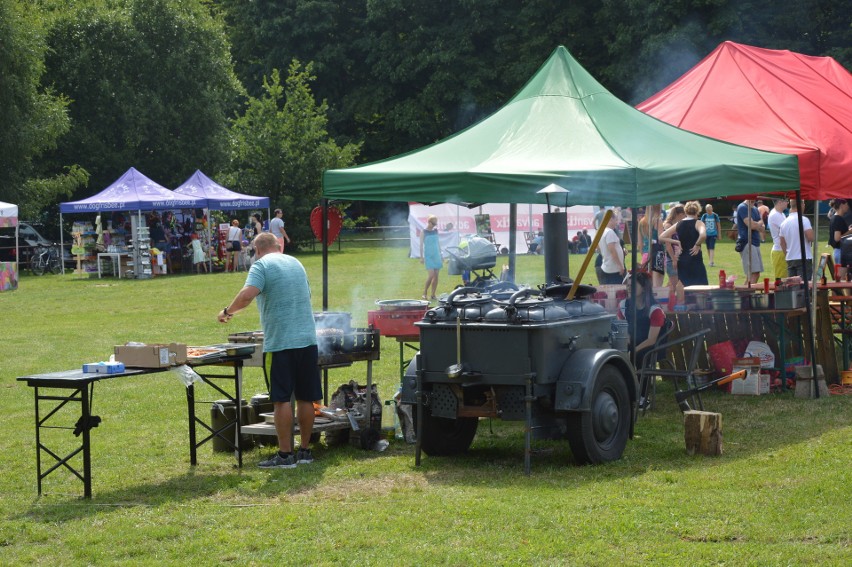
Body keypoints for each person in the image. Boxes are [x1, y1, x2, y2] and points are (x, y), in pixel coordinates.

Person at [217, 232, 321, 468]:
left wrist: (227, 312)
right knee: (306, 397)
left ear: (257, 249)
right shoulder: (296, 262)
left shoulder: (261, 265)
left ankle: (285, 455)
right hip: (307, 339)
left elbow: (246, 296)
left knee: (281, 399)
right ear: (278, 246)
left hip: (281, 343)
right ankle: (305, 451)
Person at [618, 270, 666, 367]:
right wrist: (627, 340)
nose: (629, 288)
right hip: (633, 342)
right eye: (628, 285)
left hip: (651, 347)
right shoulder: (624, 305)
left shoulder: (654, 310)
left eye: (633, 285)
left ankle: (641, 381)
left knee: (638, 356)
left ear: (644, 288)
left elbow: (651, 340)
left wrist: (633, 350)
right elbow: (621, 326)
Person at [661, 201, 708, 287]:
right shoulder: (698, 223)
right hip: (695, 259)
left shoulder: (679, 224)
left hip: (682, 260)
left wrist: (676, 242)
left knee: (685, 288)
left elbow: (662, 236)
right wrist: (697, 245)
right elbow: (703, 235)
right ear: (697, 211)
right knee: (701, 288)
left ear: (685, 211)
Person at [779, 200, 814, 280]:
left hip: (790, 258)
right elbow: (810, 237)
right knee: (804, 285)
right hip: (803, 257)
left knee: (793, 286)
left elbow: (782, 243)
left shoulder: (784, 222)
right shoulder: (804, 220)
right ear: (801, 205)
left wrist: (787, 254)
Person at [736, 199, 765, 284]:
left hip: (755, 243)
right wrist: (757, 224)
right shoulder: (742, 207)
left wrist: (756, 224)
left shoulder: (755, 209)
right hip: (747, 242)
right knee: (754, 273)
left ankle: (745, 295)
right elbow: (751, 225)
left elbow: (762, 227)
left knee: (755, 273)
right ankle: (746, 295)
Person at [597, 214, 625, 284]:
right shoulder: (609, 232)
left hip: (608, 266)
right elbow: (612, 250)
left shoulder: (602, 231)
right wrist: (620, 266)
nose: (617, 223)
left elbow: (598, 248)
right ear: (610, 220)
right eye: (616, 220)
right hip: (613, 269)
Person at [767, 198, 789, 280]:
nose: (787, 203)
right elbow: (787, 231)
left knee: (785, 278)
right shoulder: (775, 215)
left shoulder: (781, 214)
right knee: (781, 280)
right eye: (786, 201)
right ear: (780, 202)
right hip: (780, 250)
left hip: (781, 250)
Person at [420, 215, 442, 300]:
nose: (434, 225)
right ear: (429, 222)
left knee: (436, 275)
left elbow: (438, 243)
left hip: (436, 255)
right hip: (428, 256)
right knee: (431, 275)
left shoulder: (436, 231)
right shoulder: (423, 232)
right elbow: (421, 245)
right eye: (433, 223)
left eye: (435, 224)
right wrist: (421, 257)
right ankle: (425, 292)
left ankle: (433, 294)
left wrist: (441, 255)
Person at [829, 199, 851, 279]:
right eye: (846, 204)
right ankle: (837, 292)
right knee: (841, 280)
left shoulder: (835, 217)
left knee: (841, 279)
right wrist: (849, 232)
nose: (848, 206)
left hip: (839, 251)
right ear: (842, 205)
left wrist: (847, 230)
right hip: (840, 251)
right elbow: (837, 238)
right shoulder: (838, 219)